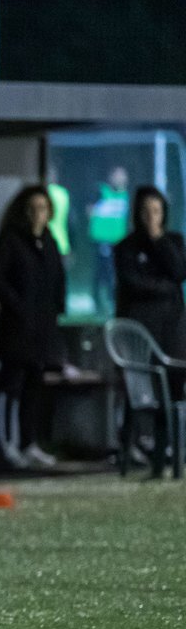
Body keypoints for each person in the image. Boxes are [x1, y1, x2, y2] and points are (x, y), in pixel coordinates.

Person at [0, 186, 68, 470]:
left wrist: (56, 310)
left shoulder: (50, 241)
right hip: (16, 330)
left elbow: (58, 280)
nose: (38, 214)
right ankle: (6, 443)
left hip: (41, 331)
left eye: (43, 208)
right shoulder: (11, 241)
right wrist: (17, 306)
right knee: (12, 386)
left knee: (34, 386)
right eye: (33, 208)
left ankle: (28, 443)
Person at [114, 185, 186, 477]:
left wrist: (159, 241)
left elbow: (179, 272)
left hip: (172, 333)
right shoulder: (126, 248)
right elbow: (133, 284)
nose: (150, 218)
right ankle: (133, 448)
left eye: (156, 211)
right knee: (141, 395)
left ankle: (169, 450)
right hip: (141, 337)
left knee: (173, 390)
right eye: (145, 212)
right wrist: (165, 287)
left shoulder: (174, 242)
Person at [87, 165, 130, 316]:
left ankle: (113, 303)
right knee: (103, 274)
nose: (122, 179)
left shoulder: (125, 195)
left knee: (115, 275)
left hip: (119, 242)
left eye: (123, 175)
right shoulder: (101, 191)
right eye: (118, 175)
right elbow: (90, 211)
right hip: (102, 241)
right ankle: (98, 304)